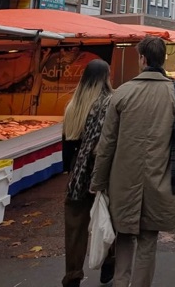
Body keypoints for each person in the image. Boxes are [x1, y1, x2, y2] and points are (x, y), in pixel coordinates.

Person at [91, 36, 175, 287]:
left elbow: (106, 144)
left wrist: (97, 181)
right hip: (160, 178)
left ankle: (121, 282)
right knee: (148, 240)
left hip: (123, 180)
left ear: (142, 59)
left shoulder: (122, 93)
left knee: (123, 237)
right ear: (162, 59)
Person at [62, 59, 114, 287]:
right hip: (101, 171)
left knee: (74, 226)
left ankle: (73, 274)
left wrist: (71, 171)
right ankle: (108, 265)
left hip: (77, 173)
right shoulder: (110, 103)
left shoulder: (73, 105)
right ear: (106, 77)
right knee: (107, 218)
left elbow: (67, 144)